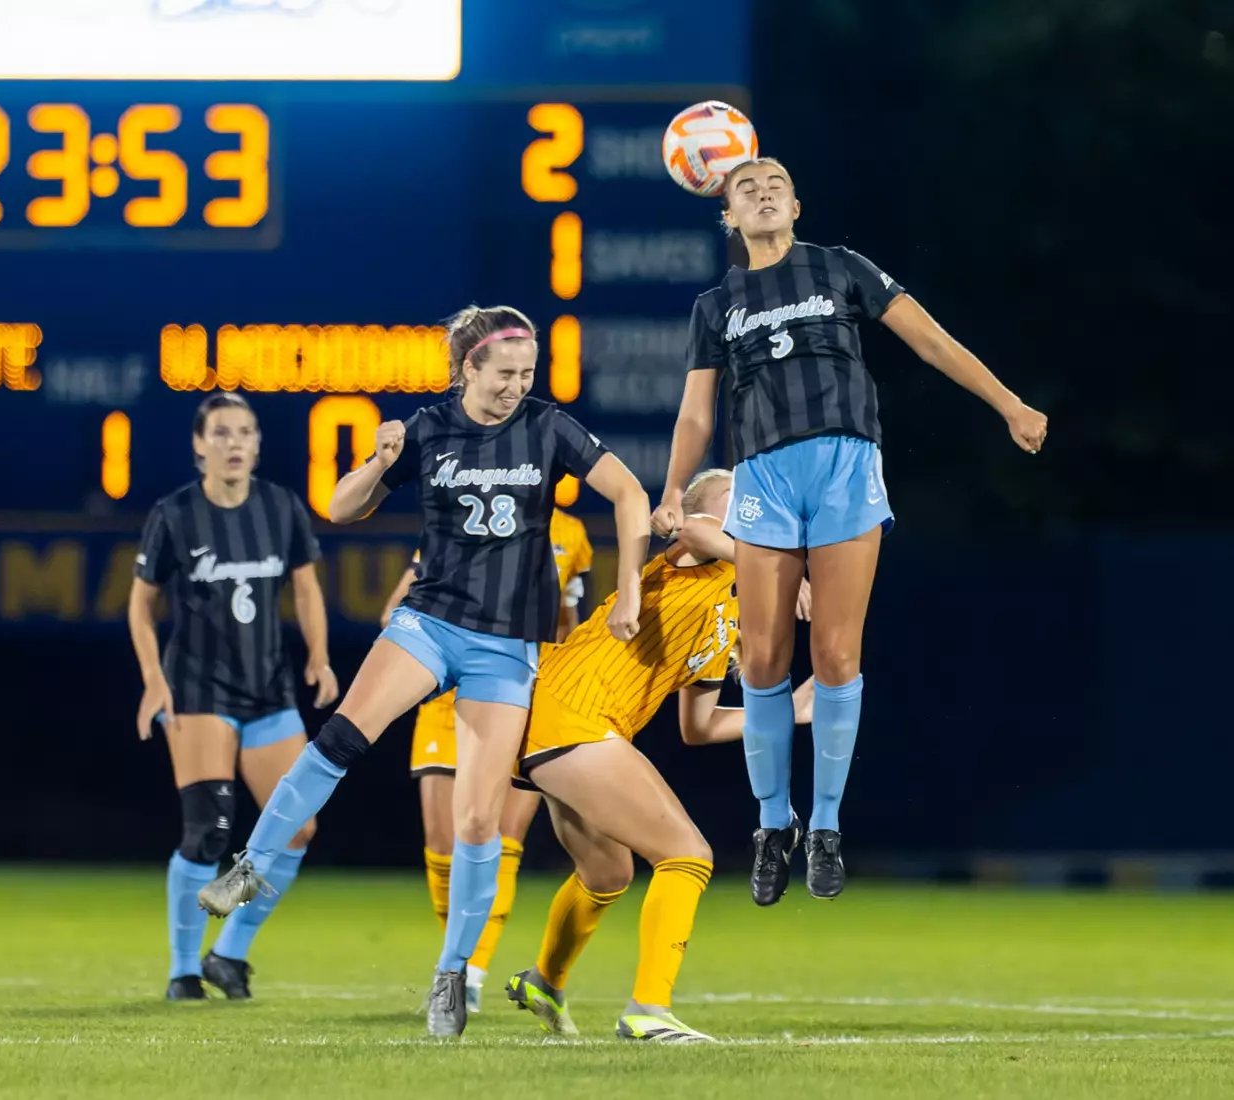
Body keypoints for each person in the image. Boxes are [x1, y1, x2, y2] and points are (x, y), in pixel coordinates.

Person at [197, 305, 652, 1038]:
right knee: (342, 736)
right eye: (505, 373)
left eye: (527, 373)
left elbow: (630, 493)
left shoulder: (549, 426)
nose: (517, 386)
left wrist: (628, 588)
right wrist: (380, 461)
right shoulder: (427, 428)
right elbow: (340, 507)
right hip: (430, 623)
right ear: (468, 368)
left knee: (477, 819)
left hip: (505, 644)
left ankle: (451, 974)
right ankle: (252, 864)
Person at [653, 157, 1049, 905]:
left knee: (835, 654)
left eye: (775, 184)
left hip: (845, 464)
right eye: (746, 189)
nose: (763, 193)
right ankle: (774, 823)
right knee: (762, 659)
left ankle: (827, 827)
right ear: (728, 216)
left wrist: (1009, 404)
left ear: (796, 204)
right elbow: (697, 413)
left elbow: (931, 341)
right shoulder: (717, 304)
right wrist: (674, 490)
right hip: (764, 475)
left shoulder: (839, 267)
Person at [502, 467, 813, 1042]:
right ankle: (647, 1010)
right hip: (573, 710)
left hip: (557, 718)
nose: (753, 509)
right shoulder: (696, 552)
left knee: (607, 873)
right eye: (738, 500)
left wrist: (787, 711)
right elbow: (695, 531)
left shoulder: (724, 610)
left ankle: (544, 980)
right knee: (687, 855)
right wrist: (779, 569)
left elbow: (699, 727)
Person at [128, 392, 338, 1001]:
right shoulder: (174, 514)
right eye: (221, 433)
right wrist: (153, 679)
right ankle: (182, 971)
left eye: (245, 432)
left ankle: (229, 953)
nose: (234, 443)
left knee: (297, 830)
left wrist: (319, 656)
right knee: (210, 830)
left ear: (257, 443)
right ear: (199, 445)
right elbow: (141, 605)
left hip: (268, 688)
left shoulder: (280, 506)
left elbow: (306, 589)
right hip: (197, 690)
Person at [380, 508, 592, 1013]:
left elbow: (568, 626)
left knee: (502, 837)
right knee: (443, 844)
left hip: (517, 695)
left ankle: (468, 973)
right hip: (447, 699)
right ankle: (454, 958)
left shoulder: (571, 533)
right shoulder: (461, 510)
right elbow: (393, 613)